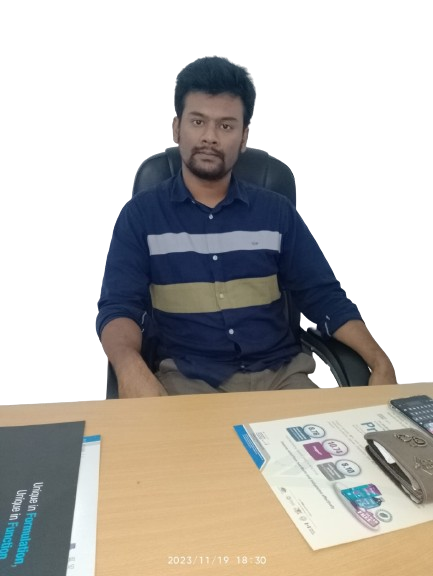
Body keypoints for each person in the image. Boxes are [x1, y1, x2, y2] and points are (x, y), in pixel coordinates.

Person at [96, 55, 397, 398]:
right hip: (188, 383)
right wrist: (129, 367)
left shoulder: (276, 213)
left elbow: (324, 296)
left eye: (226, 126)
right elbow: (119, 307)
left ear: (243, 137)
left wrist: (379, 360)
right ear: (177, 128)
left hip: (282, 379)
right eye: (198, 122)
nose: (210, 137)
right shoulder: (140, 216)